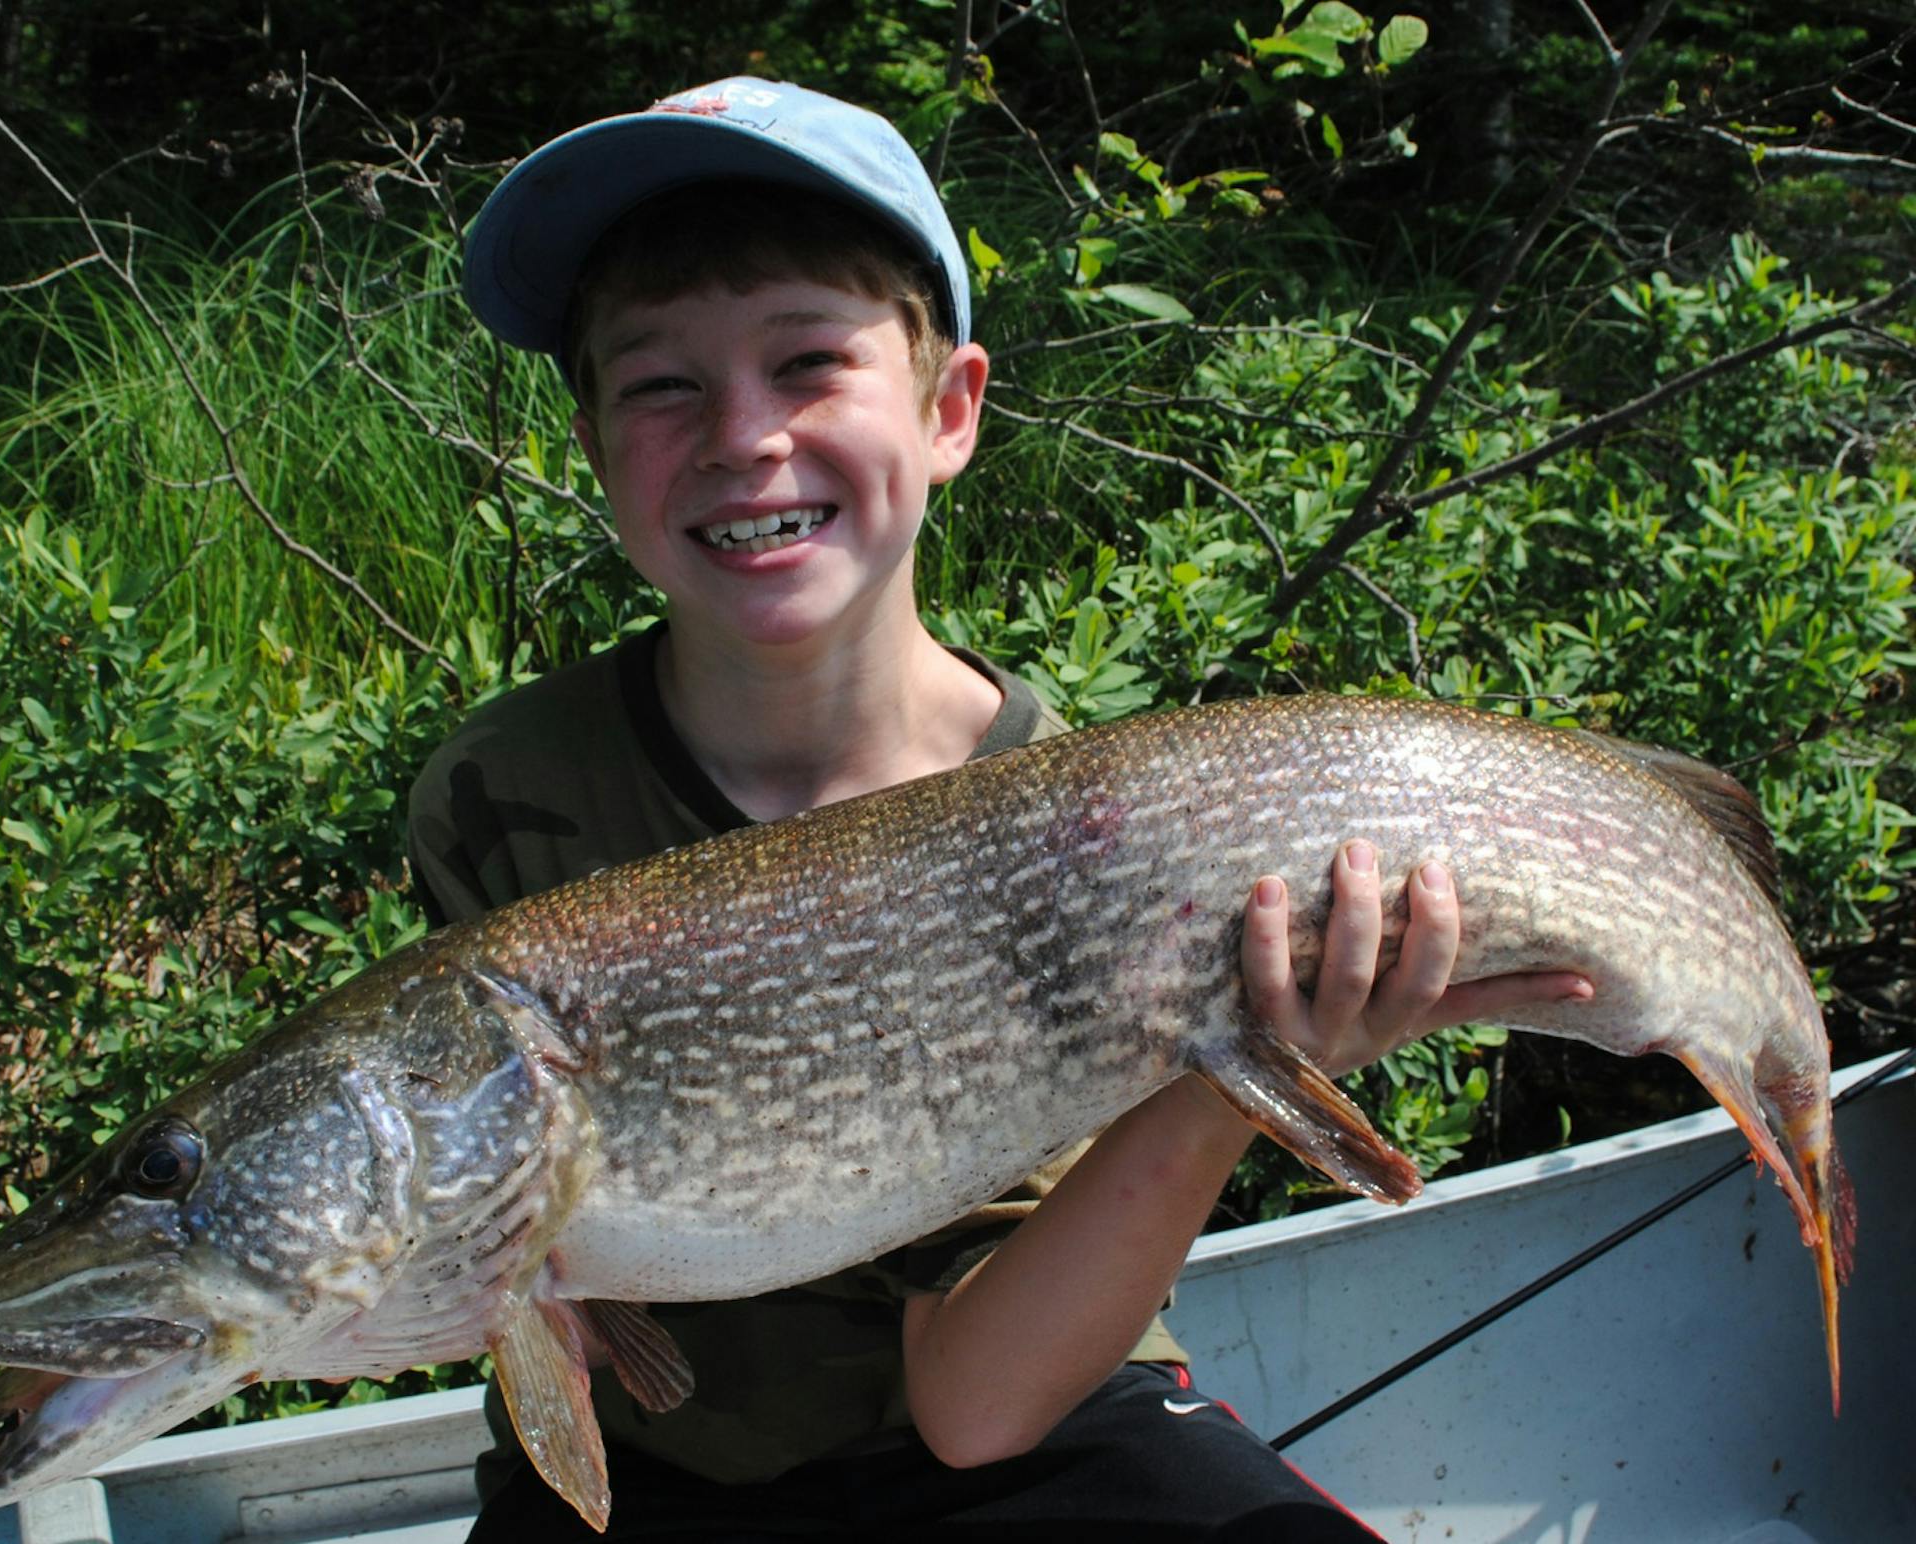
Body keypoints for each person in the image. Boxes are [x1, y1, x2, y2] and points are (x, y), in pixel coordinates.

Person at [409, 76, 1590, 1541]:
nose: (741, 435)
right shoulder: (504, 790)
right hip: (667, 1465)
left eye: (810, 361)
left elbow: (979, 1407)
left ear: (949, 409)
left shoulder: (1087, 832)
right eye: (660, 382)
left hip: (1037, 1401)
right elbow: (533, 1281)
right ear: (596, 449)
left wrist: (1237, 1068)